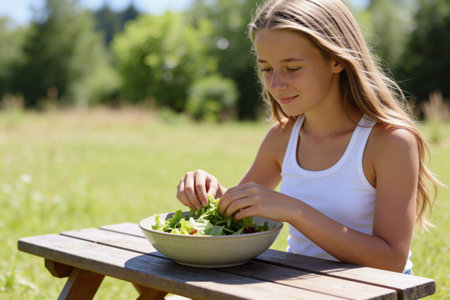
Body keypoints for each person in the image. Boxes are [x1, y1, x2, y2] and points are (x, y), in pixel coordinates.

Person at [176, 0, 440, 274]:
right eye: (266, 69)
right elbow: (242, 212)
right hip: (300, 284)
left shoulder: (390, 141)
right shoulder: (282, 136)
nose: (275, 84)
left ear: (336, 61)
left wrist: (295, 211)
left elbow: (391, 260)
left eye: (292, 68)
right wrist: (210, 192)